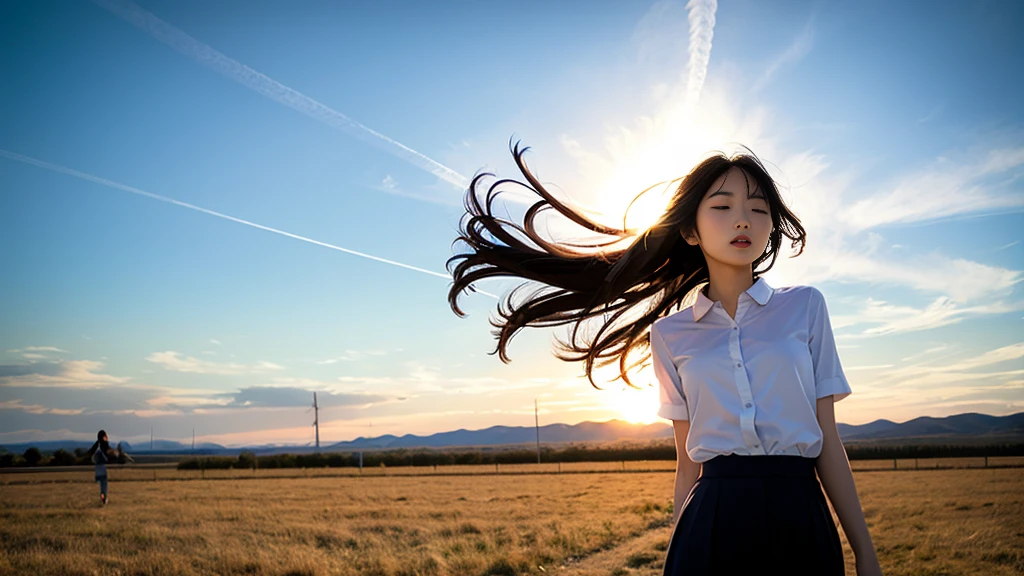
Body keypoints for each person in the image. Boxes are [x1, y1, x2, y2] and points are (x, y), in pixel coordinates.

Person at [446, 142, 883, 575]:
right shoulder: (670, 334)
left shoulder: (805, 307)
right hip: (711, 521)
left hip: (799, 514)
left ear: (771, 226)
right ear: (691, 231)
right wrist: (678, 543)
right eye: (722, 206)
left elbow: (827, 438)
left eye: (758, 208)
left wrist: (865, 552)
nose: (743, 219)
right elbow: (687, 461)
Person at [86, 429, 116, 506]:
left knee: (101, 486)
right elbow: (110, 453)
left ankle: (103, 498)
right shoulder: (104, 445)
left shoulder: (96, 446)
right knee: (104, 486)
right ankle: (104, 498)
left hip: (97, 469)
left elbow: (89, 453)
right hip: (103, 468)